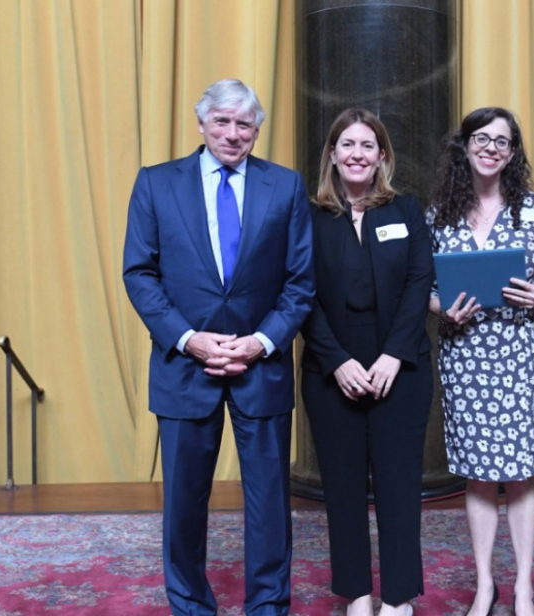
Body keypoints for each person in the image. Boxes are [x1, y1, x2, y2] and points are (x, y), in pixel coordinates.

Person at [122, 78, 315, 616]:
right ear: (201, 123)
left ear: (257, 129)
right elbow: (140, 274)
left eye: (244, 123)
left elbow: (300, 282)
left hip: (262, 368)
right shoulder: (156, 184)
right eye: (223, 122)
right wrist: (190, 340)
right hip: (185, 369)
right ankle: (189, 605)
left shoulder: (286, 186)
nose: (233, 133)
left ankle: (269, 606)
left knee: (270, 507)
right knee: (183, 505)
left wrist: (259, 342)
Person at [427, 107, 534, 616]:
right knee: (479, 473)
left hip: (522, 353)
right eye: (481, 138)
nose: (491, 148)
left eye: (502, 142)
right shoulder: (438, 212)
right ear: (464, 146)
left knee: (522, 472)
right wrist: (445, 307)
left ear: (512, 153)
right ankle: (485, 584)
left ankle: (523, 586)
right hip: (465, 355)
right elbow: (425, 289)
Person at [300, 108, 433, 616]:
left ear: (382, 157)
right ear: (332, 154)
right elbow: (299, 295)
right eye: (347, 144)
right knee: (343, 487)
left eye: (368, 145)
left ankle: (398, 598)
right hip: (331, 372)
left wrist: (393, 356)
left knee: (400, 486)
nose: (358, 154)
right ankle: (357, 593)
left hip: (399, 370)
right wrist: (336, 361)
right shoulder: (308, 217)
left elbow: (419, 284)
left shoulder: (405, 211)